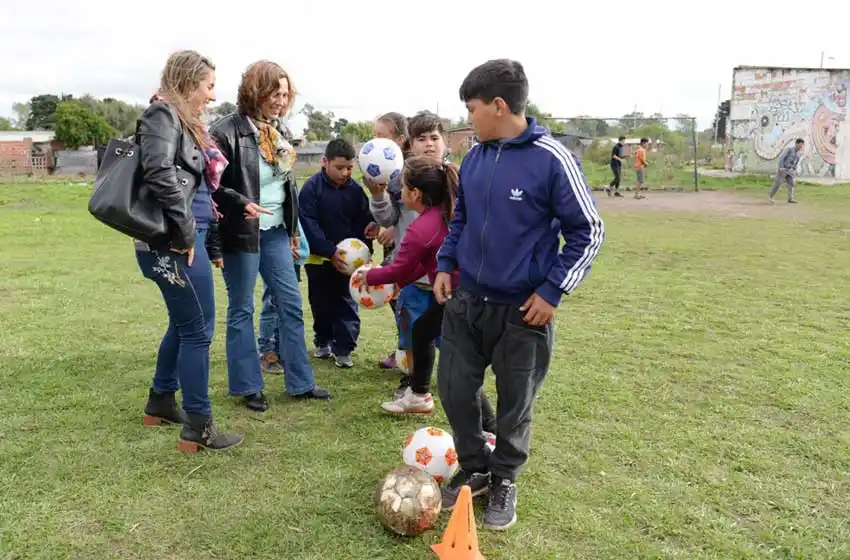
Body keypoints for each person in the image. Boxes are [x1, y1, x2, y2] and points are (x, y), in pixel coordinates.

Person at [433, 59, 604, 530]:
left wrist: (553, 290)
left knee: (515, 403)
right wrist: (446, 264)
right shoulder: (475, 158)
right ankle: (475, 467)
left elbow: (588, 230)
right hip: (467, 301)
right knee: (453, 388)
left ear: (499, 106)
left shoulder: (552, 158)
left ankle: (505, 478)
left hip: (523, 312)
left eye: (472, 109)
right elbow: (461, 219)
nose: (469, 119)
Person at [136, 50, 251, 452]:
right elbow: (159, 171)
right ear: (187, 83)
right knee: (198, 330)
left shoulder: (183, 121)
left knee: (184, 324)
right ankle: (198, 426)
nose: (211, 95)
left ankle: (161, 401)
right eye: (208, 86)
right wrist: (186, 233)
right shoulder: (162, 116)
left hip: (189, 236)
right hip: (176, 241)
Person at [211, 60, 330, 411]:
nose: (281, 100)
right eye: (274, 93)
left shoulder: (278, 131)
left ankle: (301, 383)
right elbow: (212, 186)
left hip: (277, 231)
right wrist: (241, 203)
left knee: (290, 304)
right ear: (254, 90)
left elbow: (286, 184)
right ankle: (248, 387)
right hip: (242, 232)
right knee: (242, 308)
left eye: (285, 94)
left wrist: (292, 229)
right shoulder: (224, 132)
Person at [354, 156, 497, 432]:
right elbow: (423, 264)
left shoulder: (422, 229)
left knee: (460, 368)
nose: (400, 193)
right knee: (422, 330)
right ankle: (419, 395)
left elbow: (397, 268)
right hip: (466, 294)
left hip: (462, 299)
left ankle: (491, 428)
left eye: (403, 187)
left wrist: (369, 275)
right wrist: (403, 283)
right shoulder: (447, 212)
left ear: (415, 193)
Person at [368, 111, 448, 394]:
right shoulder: (400, 178)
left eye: (435, 138)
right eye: (421, 139)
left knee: (449, 340)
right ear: (409, 144)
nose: (429, 144)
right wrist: (378, 196)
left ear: (445, 142)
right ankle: (414, 384)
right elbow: (387, 218)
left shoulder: (455, 180)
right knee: (412, 336)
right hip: (413, 278)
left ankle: (452, 383)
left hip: (447, 279)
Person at [299, 138, 379, 368]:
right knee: (320, 301)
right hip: (318, 258)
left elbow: (364, 220)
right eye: (339, 167)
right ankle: (322, 339)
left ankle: (344, 347)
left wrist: (365, 249)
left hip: (348, 262)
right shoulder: (311, 188)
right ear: (325, 162)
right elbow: (307, 223)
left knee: (346, 301)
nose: (345, 173)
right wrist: (329, 251)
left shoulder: (355, 191)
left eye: (349, 168)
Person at [370, 112, 408, 370]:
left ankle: (409, 353)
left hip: (409, 246)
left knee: (407, 300)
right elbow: (390, 207)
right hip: (391, 247)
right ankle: (403, 350)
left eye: (382, 136)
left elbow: (412, 212)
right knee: (395, 299)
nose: (376, 142)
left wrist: (395, 228)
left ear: (401, 140)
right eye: (374, 136)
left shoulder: (411, 169)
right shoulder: (383, 168)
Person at [770, 138, 803, 204]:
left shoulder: (799, 153)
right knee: (778, 183)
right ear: (796, 143)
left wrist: (794, 169)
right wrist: (781, 167)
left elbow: (796, 162)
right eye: (800, 145)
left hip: (790, 170)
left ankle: (790, 199)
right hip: (784, 169)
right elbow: (782, 158)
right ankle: (771, 197)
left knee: (791, 184)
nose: (801, 146)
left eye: (802, 145)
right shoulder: (789, 150)